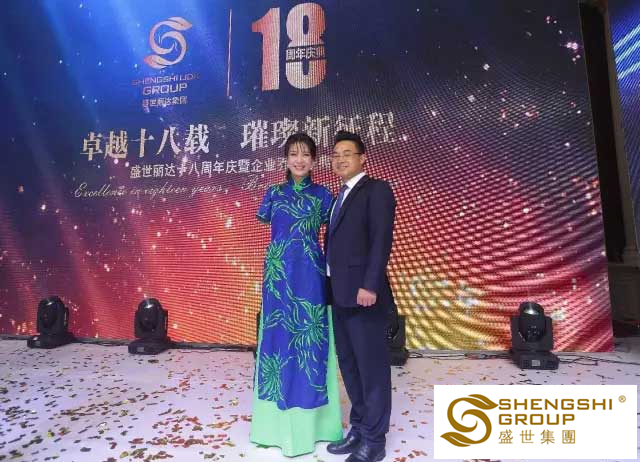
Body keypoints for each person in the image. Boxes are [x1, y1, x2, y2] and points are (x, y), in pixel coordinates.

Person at [251, 133, 342, 457]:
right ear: (286, 159)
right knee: (277, 340)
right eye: (293, 154)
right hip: (277, 275)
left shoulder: (324, 196)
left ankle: (317, 424)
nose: (299, 160)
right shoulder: (273, 193)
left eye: (305, 154)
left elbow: (334, 237)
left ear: (314, 160)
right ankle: (271, 426)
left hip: (310, 275)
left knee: (310, 342)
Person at [325, 130, 396, 462]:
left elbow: (381, 241)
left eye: (347, 153)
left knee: (372, 369)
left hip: (364, 295)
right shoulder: (338, 196)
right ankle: (359, 428)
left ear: (362, 158)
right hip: (339, 296)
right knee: (351, 367)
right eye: (336, 154)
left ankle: (374, 441)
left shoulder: (376, 190)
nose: (340, 159)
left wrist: (370, 285)